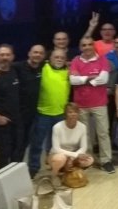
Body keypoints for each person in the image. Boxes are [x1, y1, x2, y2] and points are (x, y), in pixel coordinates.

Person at [69, 37, 114, 173]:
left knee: (103, 133)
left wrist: (82, 79)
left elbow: (104, 79)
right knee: (85, 134)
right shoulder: (76, 61)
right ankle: (88, 160)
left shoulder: (102, 60)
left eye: (89, 44)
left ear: (93, 46)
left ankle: (106, 160)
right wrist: (90, 79)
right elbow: (72, 80)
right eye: (84, 45)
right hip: (81, 105)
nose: (87, 47)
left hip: (99, 103)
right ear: (80, 47)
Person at [27, 49, 70, 177]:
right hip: (43, 114)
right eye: (56, 57)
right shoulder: (43, 67)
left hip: (60, 115)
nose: (59, 59)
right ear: (49, 58)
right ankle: (33, 168)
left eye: (61, 57)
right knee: (37, 143)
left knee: (55, 145)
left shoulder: (68, 71)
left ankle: (55, 166)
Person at [9, 44, 45, 159]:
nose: (37, 55)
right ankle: (10, 170)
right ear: (29, 53)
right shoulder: (17, 67)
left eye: (40, 53)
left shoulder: (43, 67)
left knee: (25, 143)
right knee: (17, 145)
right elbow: (2, 68)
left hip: (34, 114)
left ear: (43, 56)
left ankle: (19, 168)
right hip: (19, 115)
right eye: (35, 52)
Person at [48, 103, 94, 187]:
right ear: (65, 114)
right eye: (70, 112)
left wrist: (72, 158)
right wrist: (74, 155)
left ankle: (71, 173)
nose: (73, 114)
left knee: (89, 160)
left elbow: (84, 147)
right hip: (58, 154)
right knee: (60, 159)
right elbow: (56, 148)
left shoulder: (82, 127)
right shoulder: (57, 127)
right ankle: (54, 175)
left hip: (73, 155)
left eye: (75, 112)